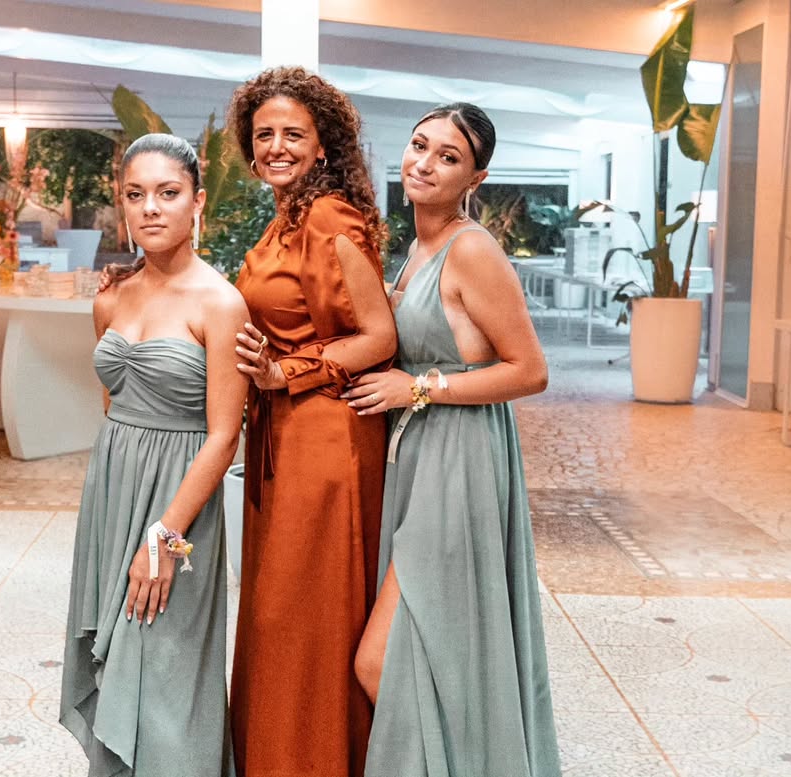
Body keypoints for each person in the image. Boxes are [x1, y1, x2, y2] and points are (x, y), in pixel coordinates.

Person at [344, 103, 562, 777]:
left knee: (380, 660)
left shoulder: (471, 249)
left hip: (458, 458)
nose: (425, 163)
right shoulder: (416, 247)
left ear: (476, 178)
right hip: (419, 453)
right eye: (419, 145)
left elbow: (530, 371)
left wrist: (416, 388)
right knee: (433, 652)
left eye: (448, 157)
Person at [59, 133, 247, 777]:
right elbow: (114, 406)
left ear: (198, 202)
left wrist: (166, 536)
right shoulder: (112, 296)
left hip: (179, 506)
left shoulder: (221, 303)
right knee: (117, 660)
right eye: (135, 195)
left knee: (167, 672)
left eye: (168, 193)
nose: (151, 208)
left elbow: (224, 435)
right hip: (113, 495)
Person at [227, 66, 397, 777]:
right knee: (281, 613)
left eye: (292, 134)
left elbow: (378, 336)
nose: (276, 146)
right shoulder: (287, 217)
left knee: (302, 618)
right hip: (284, 433)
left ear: (322, 144)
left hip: (325, 438)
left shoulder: (328, 218)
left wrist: (283, 373)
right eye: (264, 133)